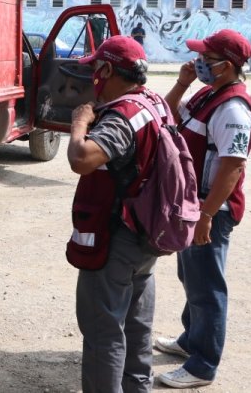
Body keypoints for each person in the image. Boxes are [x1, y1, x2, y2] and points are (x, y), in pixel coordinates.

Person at [155, 29, 251, 389]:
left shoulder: (233, 109)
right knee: (192, 277)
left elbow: (232, 167)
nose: (197, 62)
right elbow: (167, 115)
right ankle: (190, 341)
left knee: (207, 287)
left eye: (204, 59)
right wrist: (182, 84)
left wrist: (208, 215)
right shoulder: (207, 94)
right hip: (193, 207)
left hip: (211, 210)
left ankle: (202, 365)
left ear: (226, 66)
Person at [66, 35, 168, 392]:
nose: (92, 74)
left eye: (96, 67)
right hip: (146, 235)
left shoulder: (121, 117)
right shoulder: (154, 102)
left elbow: (82, 160)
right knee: (137, 328)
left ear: (108, 70)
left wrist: (80, 121)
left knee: (103, 332)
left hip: (117, 240)